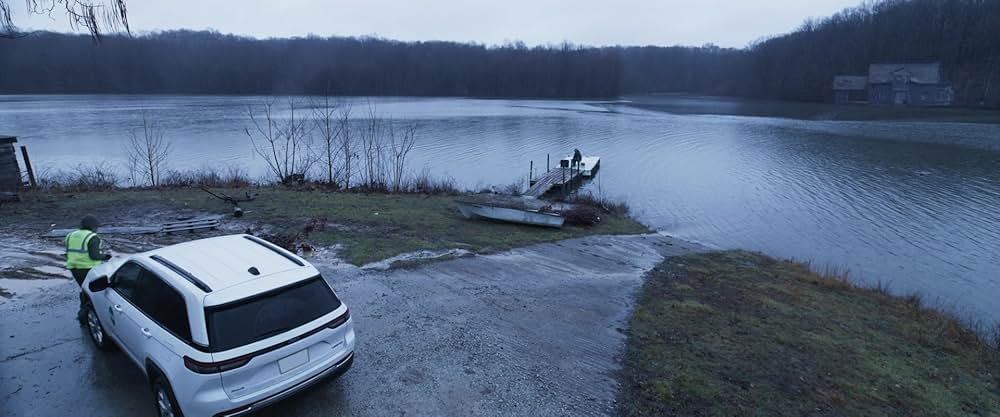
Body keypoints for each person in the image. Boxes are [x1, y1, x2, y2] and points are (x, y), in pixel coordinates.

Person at [65, 215, 112, 323]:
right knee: (92, 292)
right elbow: (94, 256)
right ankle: (85, 315)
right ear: (93, 227)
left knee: (84, 289)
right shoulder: (92, 237)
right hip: (89, 269)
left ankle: (83, 314)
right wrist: (105, 256)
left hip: (74, 268)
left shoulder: (70, 235)